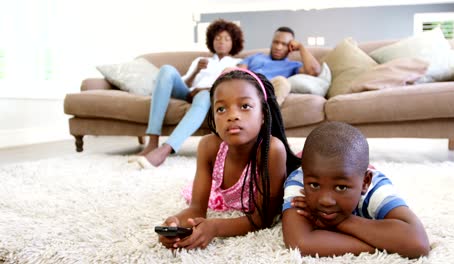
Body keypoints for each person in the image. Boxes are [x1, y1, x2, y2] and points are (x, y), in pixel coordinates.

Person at [158, 68, 301, 250]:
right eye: (221, 109)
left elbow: (264, 218)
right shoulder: (208, 147)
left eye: (245, 106)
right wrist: (175, 223)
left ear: (263, 114)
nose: (232, 115)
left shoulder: (271, 151)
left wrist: (216, 227)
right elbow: (196, 208)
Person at [281, 121, 430, 258]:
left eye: (341, 187)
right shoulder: (299, 181)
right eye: (315, 185)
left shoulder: (375, 188)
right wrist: (379, 246)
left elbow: (418, 244)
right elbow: (300, 243)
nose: (325, 200)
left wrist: (343, 222)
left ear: (365, 182)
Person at [131, 19, 244, 168]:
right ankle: (152, 142)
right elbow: (185, 84)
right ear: (211, 41)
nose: (221, 42)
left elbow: (231, 88)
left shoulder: (237, 63)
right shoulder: (200, 60)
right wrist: (196, 71)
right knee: (166, 70)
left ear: (233, 42)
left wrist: (205, 89)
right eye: (217, 38)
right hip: (189, 93)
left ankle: (165, 150)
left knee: (204, 96)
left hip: (209, 96)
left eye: (226, 39)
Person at [237, 26, 321, 106]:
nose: (278, 47)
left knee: (283, 82)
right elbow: (239, 73)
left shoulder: (293, 65)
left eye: (284, 44)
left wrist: (301, 47)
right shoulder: (255, 57)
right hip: (249, 86)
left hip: (268, 89)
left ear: (290, 47)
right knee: (230, 71)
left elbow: (314, 71)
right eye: (276, 42)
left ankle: (268, 115)